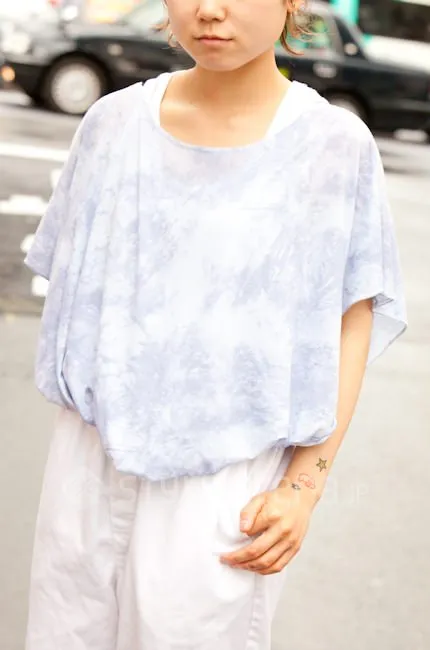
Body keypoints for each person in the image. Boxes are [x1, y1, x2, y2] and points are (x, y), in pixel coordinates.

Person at [23, 1, 408, 649]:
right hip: (88, 455)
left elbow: (351, 320)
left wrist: (303, 485)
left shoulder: (332, 145)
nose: (208, 10)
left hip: (229, 475)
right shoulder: (112, 124)